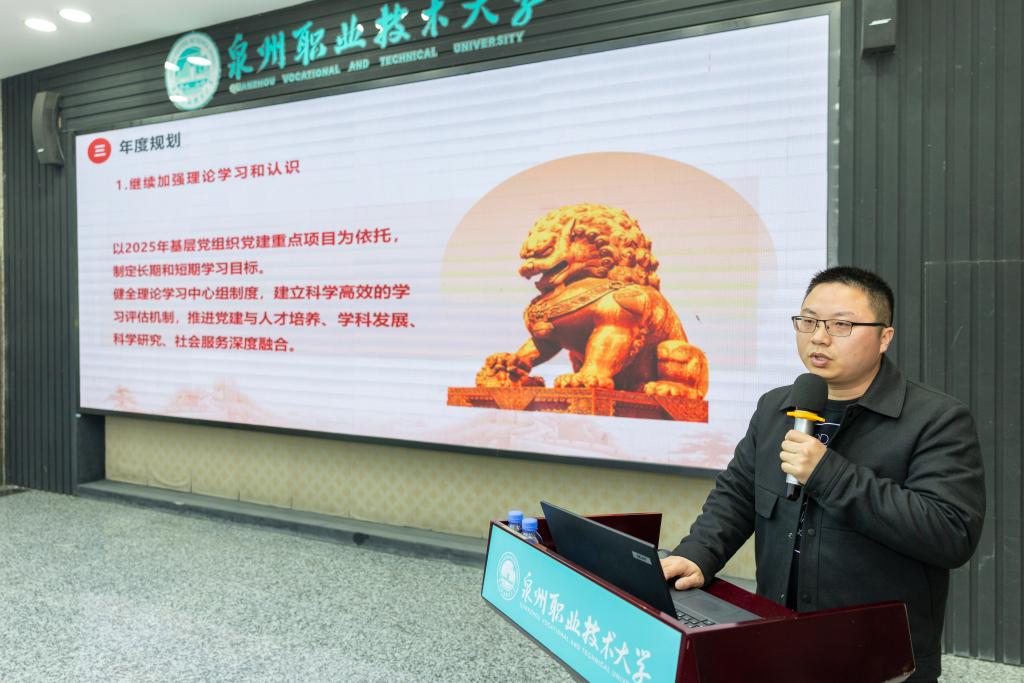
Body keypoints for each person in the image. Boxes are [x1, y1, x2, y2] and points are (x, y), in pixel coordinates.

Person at [661, 266, 985, 683]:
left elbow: (950, 533)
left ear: (885, 336)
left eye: (841, 325)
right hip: (779, 638)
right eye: (809, 321)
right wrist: (698, 553)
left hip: (878, 658)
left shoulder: (936, 419)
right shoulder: (777, 407)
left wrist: (829, 474)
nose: (819, 337)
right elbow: (738, 494)